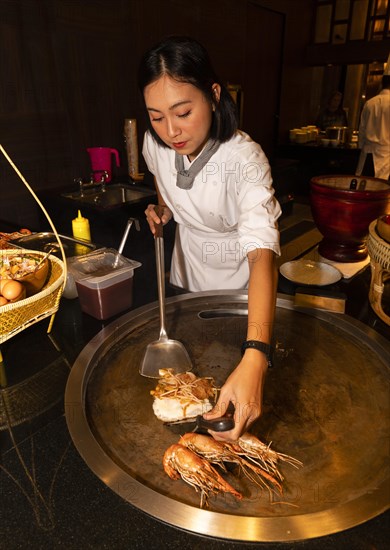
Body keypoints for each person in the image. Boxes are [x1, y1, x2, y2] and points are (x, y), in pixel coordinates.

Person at [138, 36, 281, 442]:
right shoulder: (156, 142)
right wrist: (165, 208)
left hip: (239, 282)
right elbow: (162, 177)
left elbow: (261, 252)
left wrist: (257, 353)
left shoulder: (243, 160)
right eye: (157, 117)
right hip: (186, 270)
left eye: (183, 112)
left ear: (214, 95)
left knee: (228, 367)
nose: (171, 131)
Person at [356, 75, 390, 180]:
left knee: (364, 186)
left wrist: (360, 145)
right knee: (381, 190)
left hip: (368, 153)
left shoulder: (370, 103)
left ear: (381, 85)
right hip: (386, 154)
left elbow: (362, 128)